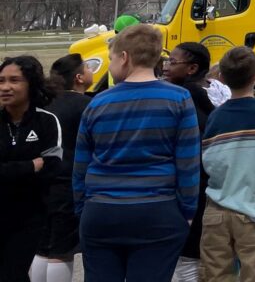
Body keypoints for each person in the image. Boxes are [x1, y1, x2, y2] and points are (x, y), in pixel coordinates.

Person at [74, 24, 200, 282]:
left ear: (124, 58)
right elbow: (188, 164)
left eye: (111, 59)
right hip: (157, 211)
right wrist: (187, 212)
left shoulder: (97, 103)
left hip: (101, 212)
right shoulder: (179, 99)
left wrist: (82, 208)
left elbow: (80, 167)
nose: (110, 66)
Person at [200, 47, 255, 282]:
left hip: (216, 208)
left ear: (222, 78)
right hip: (252, 208)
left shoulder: (216, 117)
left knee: (215, 274)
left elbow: (209, 159)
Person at [30, 54, 93, 282]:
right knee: (61, 250)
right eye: (88, 67)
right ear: (79, 77)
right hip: (66, 182)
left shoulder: (46, 102)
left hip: (42, 181)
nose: (91, 70)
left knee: (43, 246)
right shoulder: (85, 104)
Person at [0, 56, 62, 282]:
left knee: (13, 274)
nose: (6, 87)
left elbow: (52, 169)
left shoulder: (46, 122)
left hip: (29, 217)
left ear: (31, 84)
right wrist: (29, 166)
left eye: (14, 80)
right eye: (1, 81)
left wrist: (7, 171)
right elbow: (36, 169)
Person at [163, 42, 215, 282]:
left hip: (188, 189)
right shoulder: (202, 98)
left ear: (192, 68)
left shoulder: (185, 100)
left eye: (173, 62)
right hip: (199, 188)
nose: (166, 66)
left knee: (186, 260)